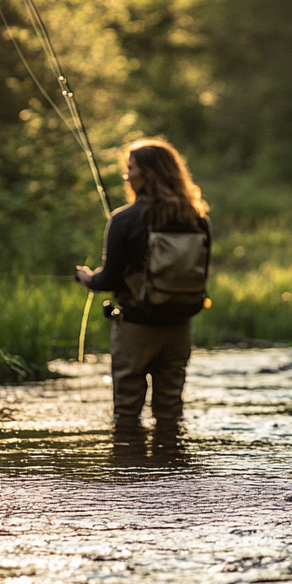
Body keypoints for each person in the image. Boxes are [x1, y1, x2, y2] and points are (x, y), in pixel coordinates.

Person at [75, 138, 211, 429]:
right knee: (170, 411)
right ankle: (170, 469)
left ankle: (129, 470)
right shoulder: (196, 218)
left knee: (127, 412)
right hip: (179, 328)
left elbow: (108, 279)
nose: (127, 175)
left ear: (148, 173)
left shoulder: (124, 219)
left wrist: (87, 277)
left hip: (136, 327)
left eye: (130, 168)